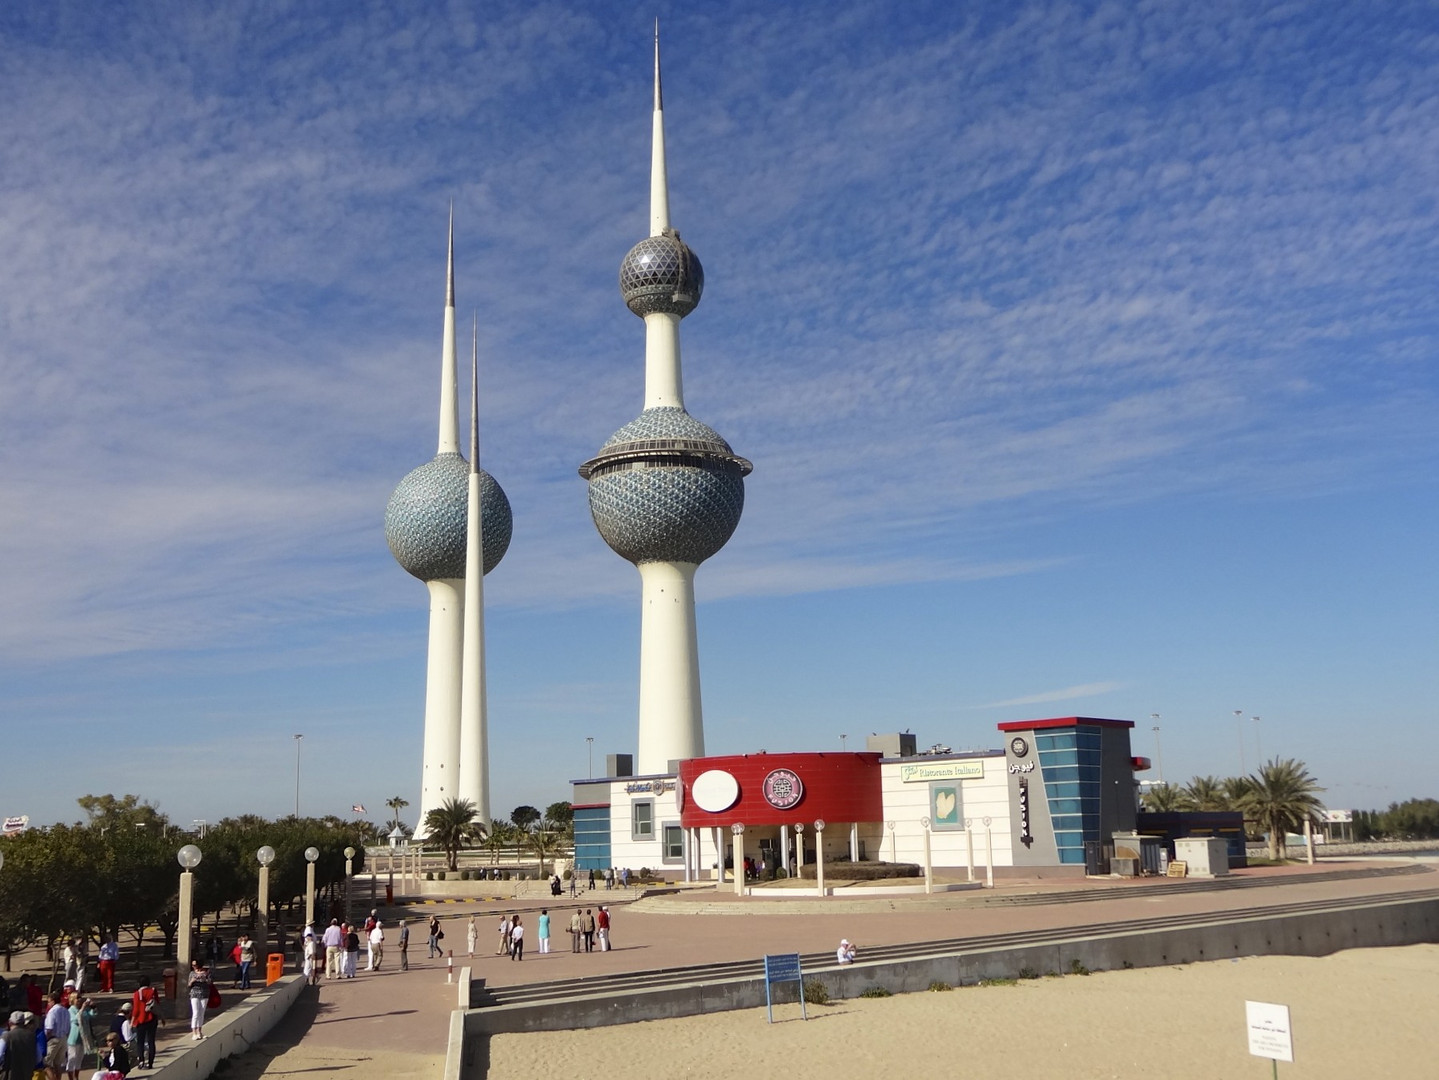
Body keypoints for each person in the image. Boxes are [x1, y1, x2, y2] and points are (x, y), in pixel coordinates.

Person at [2, 1011, 39, 1080]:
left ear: (10, 1023)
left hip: (9, 1075)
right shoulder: (32, 1036)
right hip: (27, 1075)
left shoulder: (6, 1036)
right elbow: (38, 1058)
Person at [44, 991, 70, 1080]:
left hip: (53, 1038)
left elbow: (49, 1028)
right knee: (57, 1064)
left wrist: (46, 1039)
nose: (48, 1004)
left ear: (53, 1001)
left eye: (48, 1002)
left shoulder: (52, 1011)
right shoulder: (65, 1010)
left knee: (46, 1063)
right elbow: (68, 1026)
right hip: (63, 1038)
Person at [185, 959, 211, 1040]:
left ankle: (199, 1031)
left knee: (201, 1013)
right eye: (192, 965)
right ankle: (194, 1032)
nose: (193, 967)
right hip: (194, 994)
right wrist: (192, 981)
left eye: (195, 965)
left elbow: (210, 982)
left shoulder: (206, 972)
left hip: (204, 994)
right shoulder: (192, 973)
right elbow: (188, 985)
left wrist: (205, 978)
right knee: (195, 1013)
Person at [63, 998, 83, 1080]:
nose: (79, 1000)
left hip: (82, 1037)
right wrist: (82, 1010)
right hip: (73, 1038)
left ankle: (76, 1077)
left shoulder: (81, 1008)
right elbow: (75, 1019)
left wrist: (93, 1007)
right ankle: (71, 1078)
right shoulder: (70, 1010)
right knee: (72, 1057)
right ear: (72, 1000)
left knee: (79, 1058)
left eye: (79, 998)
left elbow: (91, 1016)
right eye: (77, 998)